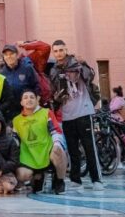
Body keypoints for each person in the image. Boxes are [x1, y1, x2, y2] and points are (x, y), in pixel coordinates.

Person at [49, 39, 103, 190]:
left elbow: (90, 75)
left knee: (89, 147)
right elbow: (52, 90)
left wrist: (82, 64)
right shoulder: (54, 70)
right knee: (72, 149)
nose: (59, 53)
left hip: (84, 111)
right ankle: (75, 179)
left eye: (61, 50)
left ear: (66, 49)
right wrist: (56, 97)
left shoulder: (77, 63)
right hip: (67, 115)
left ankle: (96, 179)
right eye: (56, 51)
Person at [13, 90, 67, 194]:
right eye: (25, 98)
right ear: (21, 102)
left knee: (59, 151)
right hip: (29, 156)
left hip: (47, 151)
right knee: (21, 175)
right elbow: (15, 140)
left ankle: (60, 180)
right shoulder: (16, 120)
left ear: (37, 100)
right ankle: (38, 176)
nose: (29, 99)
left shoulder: (46, 113)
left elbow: (56, 131)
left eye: (32, 97)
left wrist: (57, 144)